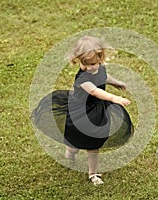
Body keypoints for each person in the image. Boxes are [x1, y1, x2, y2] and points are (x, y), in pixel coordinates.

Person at [31, 36, 133, 186]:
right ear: (80, 60)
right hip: (80, 113)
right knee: (75, 144)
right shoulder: (82, 79)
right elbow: (95, 92)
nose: (94, 67)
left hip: (97, 113)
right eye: (90, 64)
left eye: (97, 63)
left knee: (94, 145)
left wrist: (116, 83)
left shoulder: (98, 68)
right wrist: (113, 98)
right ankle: (70, 151)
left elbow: (104, 76)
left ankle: (93, 174)